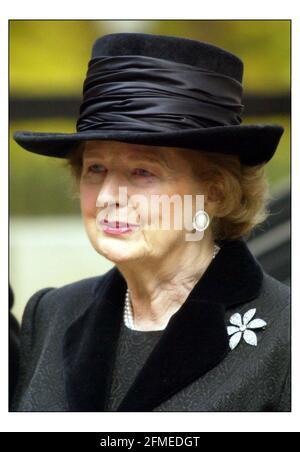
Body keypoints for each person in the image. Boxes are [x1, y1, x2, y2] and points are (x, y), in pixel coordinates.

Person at [11, 33, 290, 412]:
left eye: (142, 171)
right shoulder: (52, 313)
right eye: (96, 168)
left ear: (215, 193)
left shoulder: (287, 332)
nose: (109, 194)